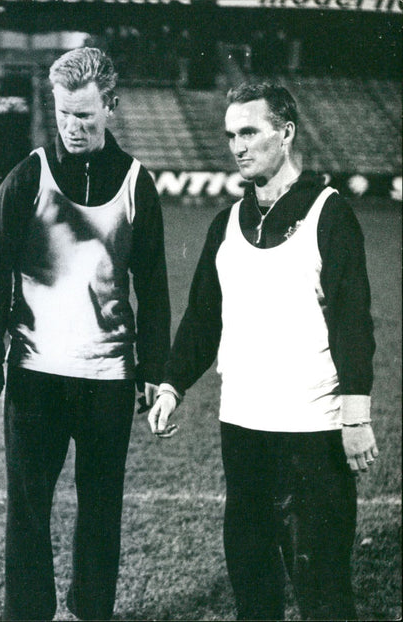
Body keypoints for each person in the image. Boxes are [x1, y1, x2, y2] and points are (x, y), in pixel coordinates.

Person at [147, 82, 377, 620]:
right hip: (243, 430)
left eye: (249, 132)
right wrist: (171, 385)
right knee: (252, 589)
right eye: (230, 135)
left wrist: (356, 415)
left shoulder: (329, 213)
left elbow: (352, 320)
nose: (238, 146)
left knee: (323, 594)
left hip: (314, 433)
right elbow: (204, 318)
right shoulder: (225, 224)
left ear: (286, 133)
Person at [0, 47, 171, 621]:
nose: (72, 128)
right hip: (35, 374)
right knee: (28, 509)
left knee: (101, 506)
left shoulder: (136, 183)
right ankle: (28, 614)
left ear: (110, 106)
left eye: (84, 115)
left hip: (108, 379)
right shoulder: (29, 174)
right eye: (62, 114)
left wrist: (155, 371)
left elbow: (153, 284)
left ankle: (90, 611)